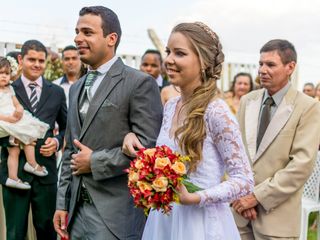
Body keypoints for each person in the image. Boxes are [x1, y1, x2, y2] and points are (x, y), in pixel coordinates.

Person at [122, 22, 254, 240]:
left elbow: (244, 179)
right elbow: (168, 156)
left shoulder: (216, 111)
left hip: (200, 224)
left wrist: (197, 197)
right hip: (164, 219)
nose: (169, 60)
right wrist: (132, 139)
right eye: (168, 52)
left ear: (202, 62)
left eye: (179, 53)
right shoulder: (171, 106)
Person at [53, 6, 163, 240]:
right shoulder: (75, 89)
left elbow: (148, 150)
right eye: (76, 32)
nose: (77, 38)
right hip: (75, 213)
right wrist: (62, 203)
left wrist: (95, 161)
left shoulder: (139, 83)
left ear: (111, 38)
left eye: (87, 32)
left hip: (115, 216)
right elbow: (70, 150)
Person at [232, 39, 320, 239]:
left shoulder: (308, 107)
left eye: (270, 65)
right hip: (239, 214)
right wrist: (241, 197)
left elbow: (301, 165)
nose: (262, 70)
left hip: (276, 219)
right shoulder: (248, 101)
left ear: (290, 67)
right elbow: (234, 153)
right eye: (260, 64)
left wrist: (257, 197)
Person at [0, 40, 67, 240]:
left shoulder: (56, 92)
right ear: (21, 59)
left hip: (46, 173)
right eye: (31, 59)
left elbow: (66, 128)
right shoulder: (6, 90)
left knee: (47, 230)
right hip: (15, 174)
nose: (37, 64)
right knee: (15, 232)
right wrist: (9, 141)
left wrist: (56, 142)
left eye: (41, 60)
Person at [0, 57, 49, 190]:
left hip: (14, 118)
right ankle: (23, 170)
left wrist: (19, 109)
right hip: (4, 121)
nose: (4, 76)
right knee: (19, 144)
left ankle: (22, 170)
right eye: (0, 73)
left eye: (6, 73)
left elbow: (16, 103)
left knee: (23, 141)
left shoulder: (10, 89)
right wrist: (8, 119)